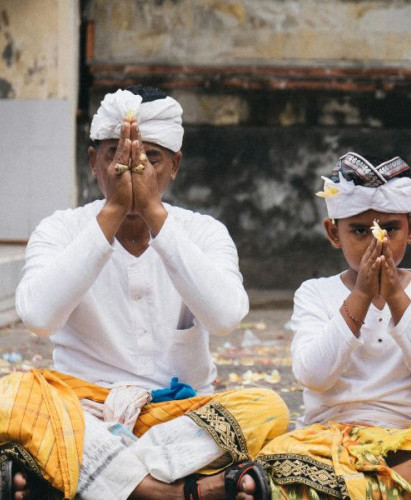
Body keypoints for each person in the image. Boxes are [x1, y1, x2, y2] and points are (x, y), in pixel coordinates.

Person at [0, 86, 289, 500]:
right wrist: (113, 212)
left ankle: (88, 477)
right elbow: (38, 318)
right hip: (83, 412)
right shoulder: (59, 230)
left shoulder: (203, 232)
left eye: (149, 160)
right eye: (116, 158)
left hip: (177, 419)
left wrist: (154, 214)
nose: (132, 174)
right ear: (92, 162)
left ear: (175, 166)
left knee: (267, 409)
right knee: (10, 395)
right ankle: (168, 492)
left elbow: (226, 318)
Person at [256, 152, 411, 499]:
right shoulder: (314, 292)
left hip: (409, 442)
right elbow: (313, 375)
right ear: (333, 233)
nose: (378, 243)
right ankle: (388, 491)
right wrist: (361, 295)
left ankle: (353, 492)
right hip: (327, 441)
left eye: (390, 229)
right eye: (359, 231)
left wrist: (395, 297)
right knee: (274, 465)